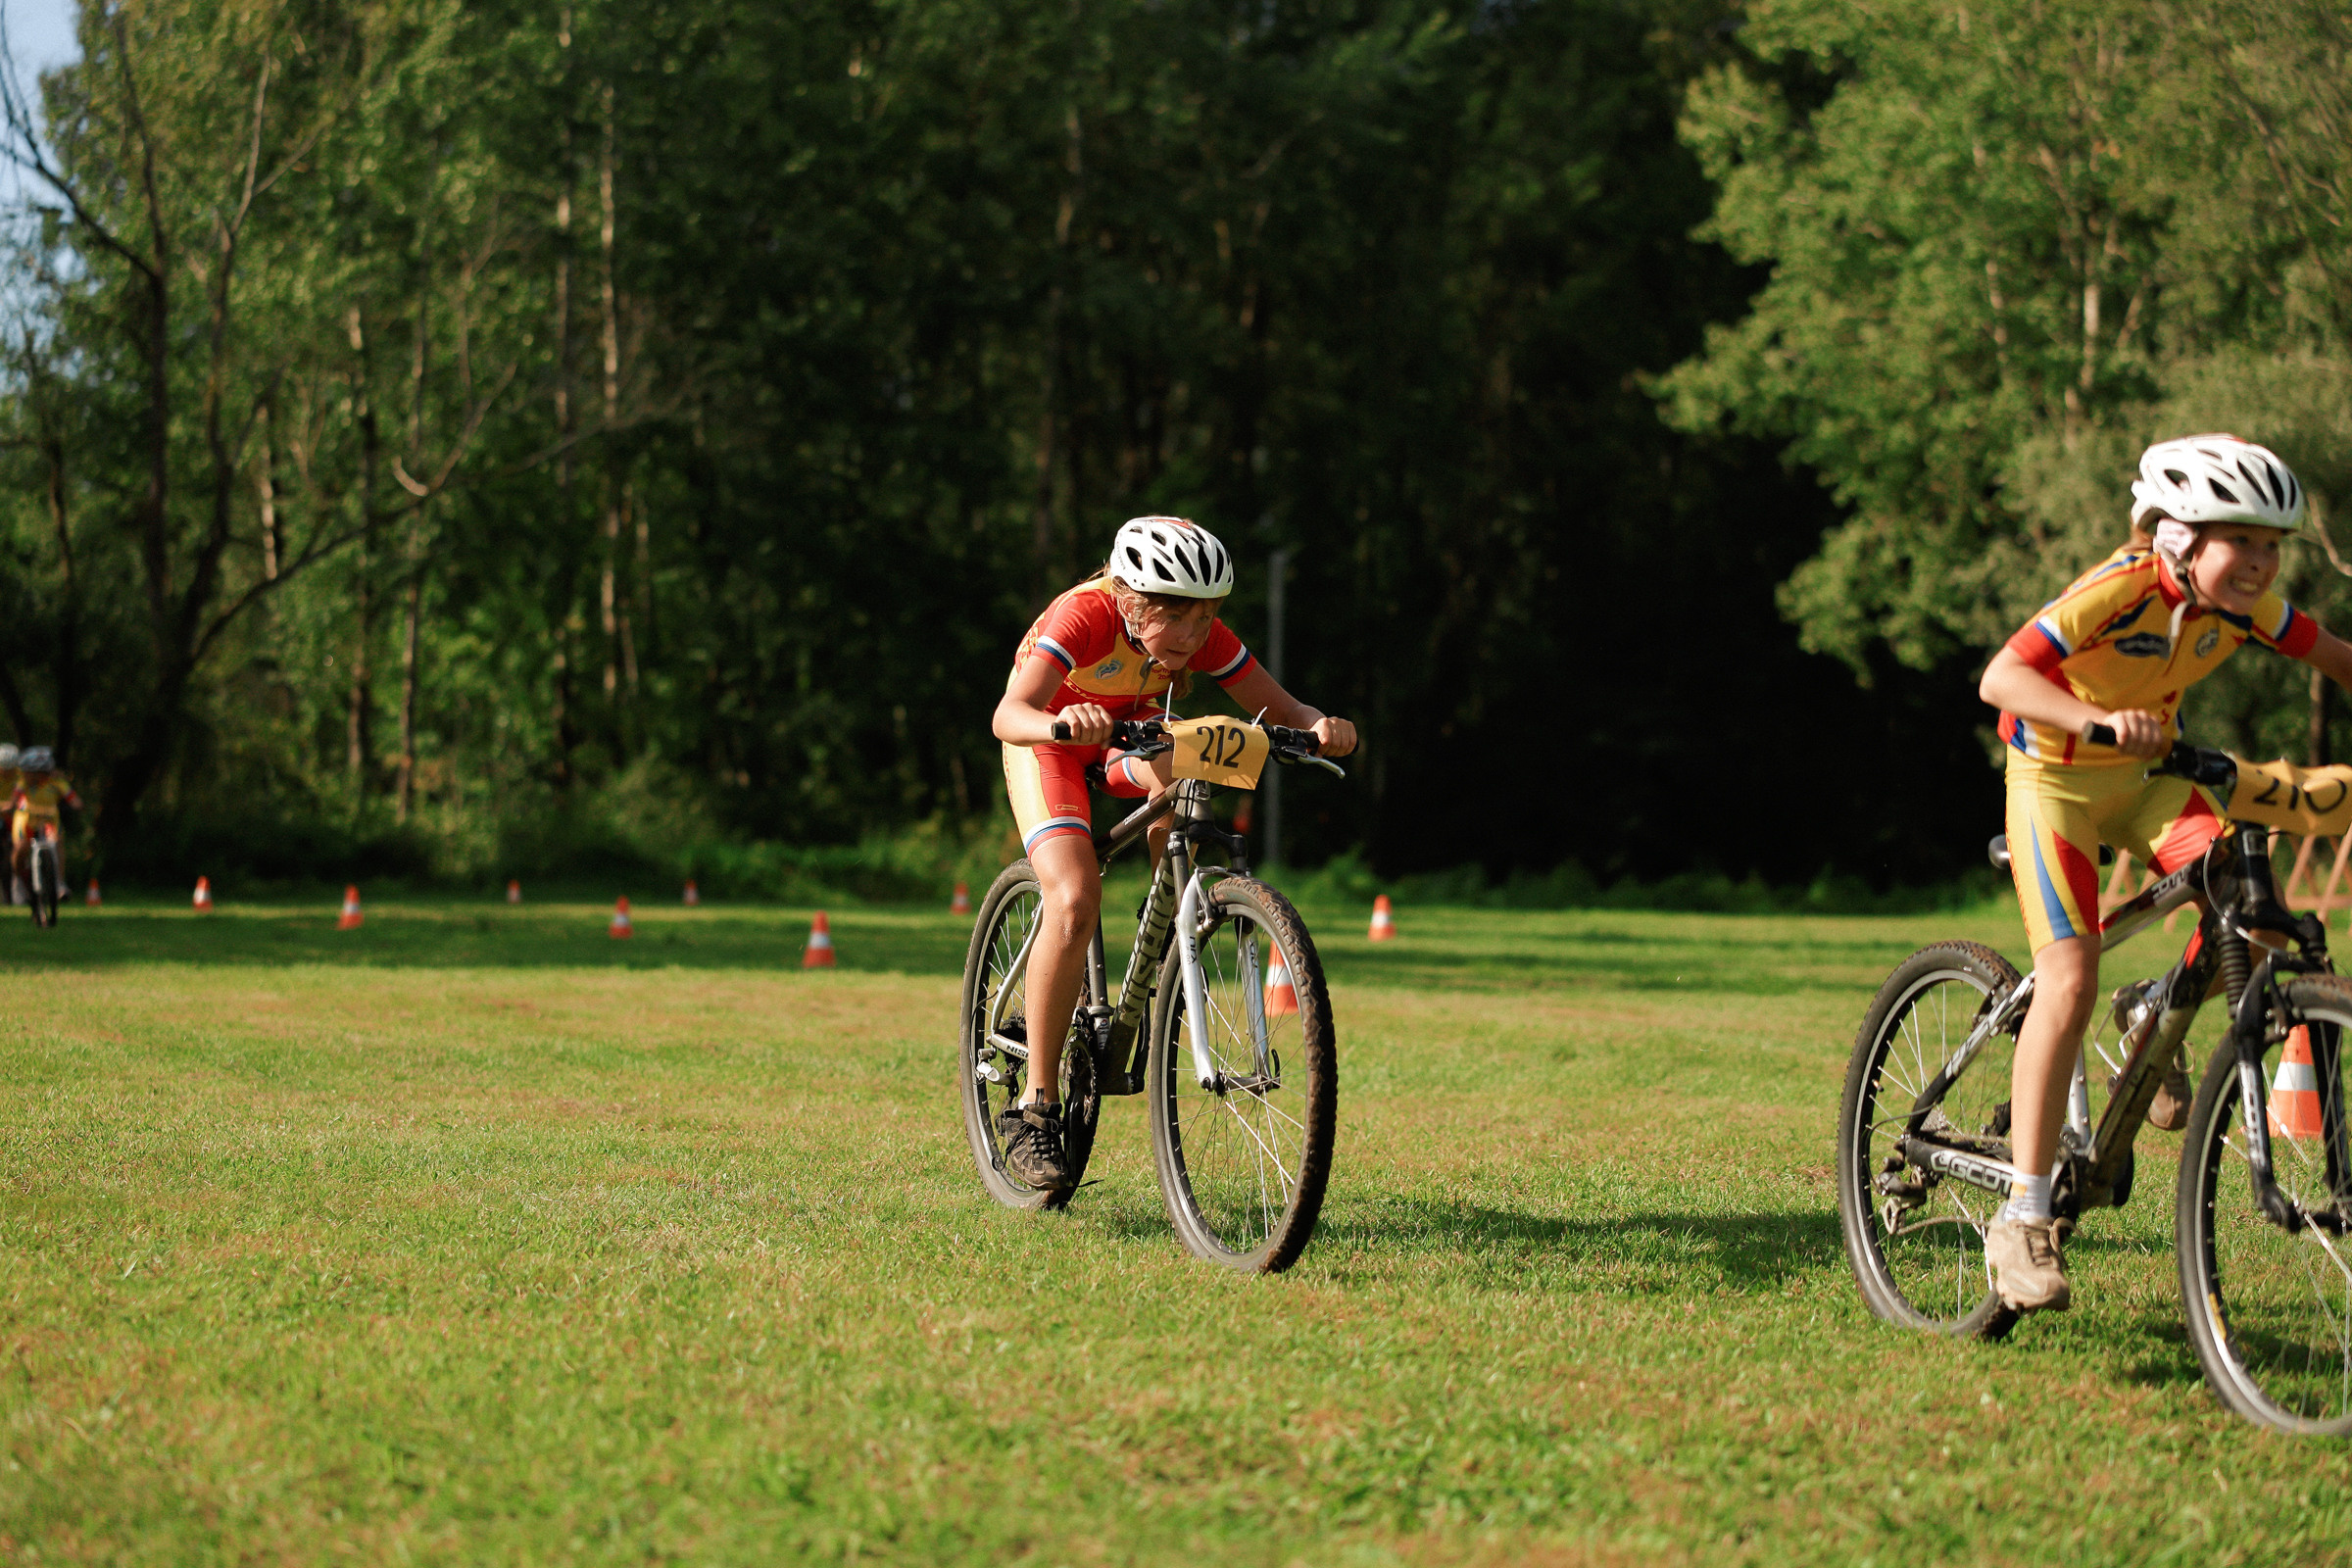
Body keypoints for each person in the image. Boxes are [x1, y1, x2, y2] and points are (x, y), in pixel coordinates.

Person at [1977, 434, 2352, 1312]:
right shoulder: (2119, 589)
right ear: (2180, 537)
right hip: (2054, 786)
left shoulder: (2244, 609)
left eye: (2272, 544)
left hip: (2148, 786)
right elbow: (2001, 677)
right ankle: (2022, 1218)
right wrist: (2094, 720)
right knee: (2068, 980)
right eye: (2243, 541)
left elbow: (2336, 655)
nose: (2261, 561)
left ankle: (2152, 1009)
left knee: (2254, 916)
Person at [990, 516, 1357, 1189]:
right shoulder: (1083, 616)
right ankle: (1034, 1107)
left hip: (1128, 739)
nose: (1193, 636)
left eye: (1206, 619)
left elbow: (1277, 706)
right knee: (1072, 898)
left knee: (1190, 769)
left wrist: (1320, 727)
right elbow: (1008, 713)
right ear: (1131, 601)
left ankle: (1168, 939)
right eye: (1178, 619)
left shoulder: (1201, 635)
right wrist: (1060, 721)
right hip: (1049, 740)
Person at [11, 747, 81, 902]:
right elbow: (14, 800)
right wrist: (9, 806)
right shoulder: (23, 783)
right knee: (21, 847)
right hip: (26, 821)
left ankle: (60, 884)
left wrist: (74, 806)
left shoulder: (57, 783)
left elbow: (75, 800)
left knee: (57, 842)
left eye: (29, 771)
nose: (25, 774)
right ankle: (17, 880)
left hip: (49, 821)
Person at [0, 745, 17, 904]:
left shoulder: (20, 776)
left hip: (14, 818)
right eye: (4, 768)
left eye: (11, 768)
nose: (7, 772)